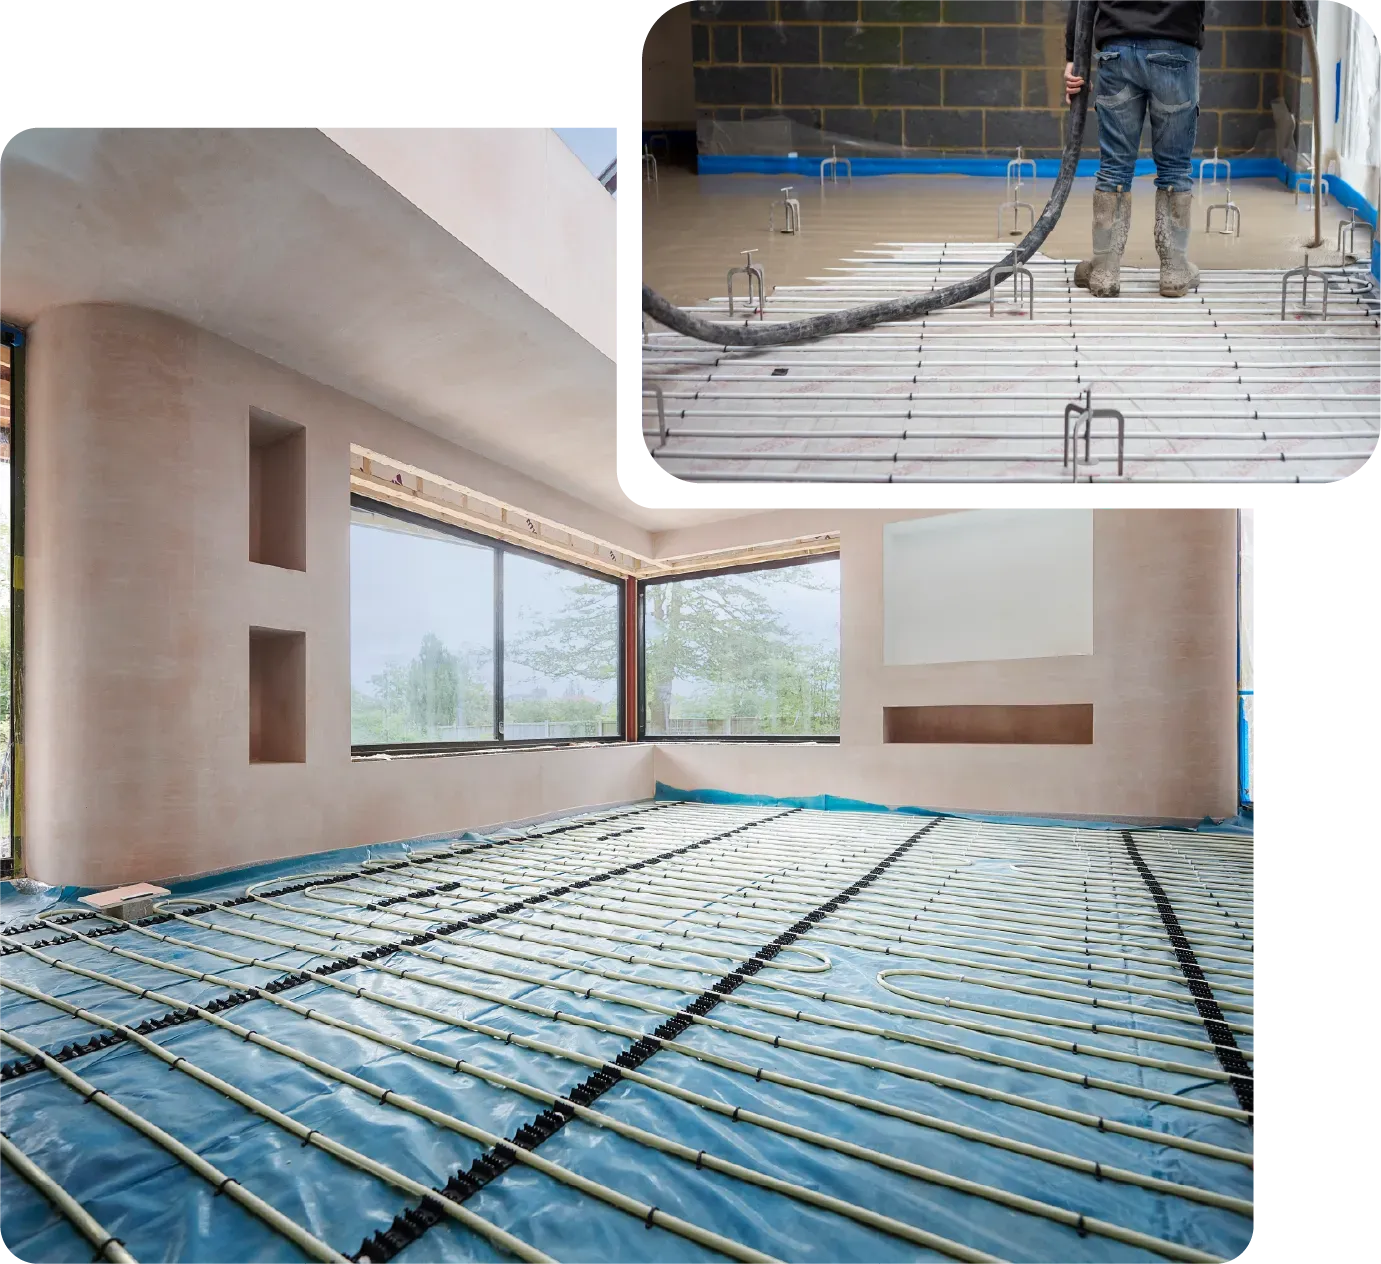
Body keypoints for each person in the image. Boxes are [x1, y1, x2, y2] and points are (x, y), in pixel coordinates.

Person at [1063, 1, 1207, 299]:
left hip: (1118, 50)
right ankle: (1174, 270)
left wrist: (1073, 57)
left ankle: (1104, 270)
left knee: (1114, 166)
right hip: (1175, 47)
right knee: (1175, 167)